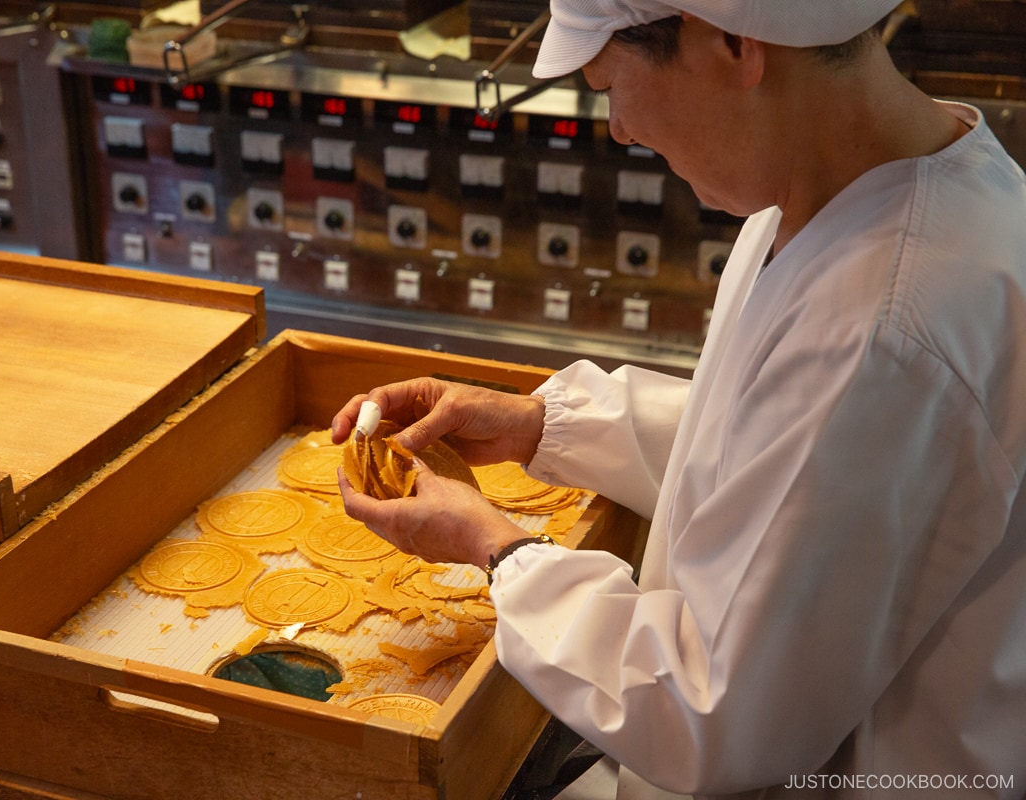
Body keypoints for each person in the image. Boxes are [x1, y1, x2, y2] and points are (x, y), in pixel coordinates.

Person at [333, 0, 1026, 797]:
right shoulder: (855, 191)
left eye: (610, 84)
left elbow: (710, 710)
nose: (620, 127)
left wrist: (498, 548)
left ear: (733, 42)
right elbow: (774, 464)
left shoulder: (889, 325)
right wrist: (540, 426)